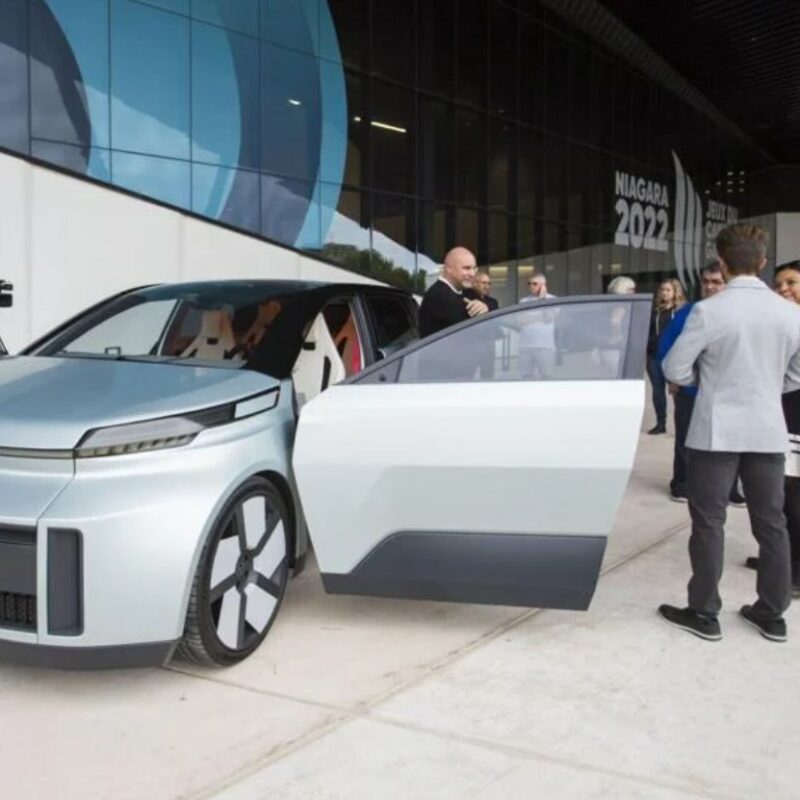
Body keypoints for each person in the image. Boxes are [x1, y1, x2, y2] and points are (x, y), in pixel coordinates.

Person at [659, 224, 800, 643]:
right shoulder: (790, 313)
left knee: (709, 523)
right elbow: (797, 375)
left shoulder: (710, 311)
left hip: (715, 430)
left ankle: (704, 611)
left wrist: (709, 382)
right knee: (771, 523)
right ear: (762, 262)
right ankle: (772, 613)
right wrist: (766, 386)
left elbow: (674, 369)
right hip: (768, 429)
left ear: (722, 262)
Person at [658, 264, 745, 506]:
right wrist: (673, 379)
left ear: (727, 282)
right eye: (706, 281)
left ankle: (730, 489)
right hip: (691, 391)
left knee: (731, 442)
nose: (709, 286)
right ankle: (682, 483)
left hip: (730, 392)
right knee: (685, 439)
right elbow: (666, 344)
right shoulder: (692, 311)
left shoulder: (739, 313)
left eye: (716, 281)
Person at [744, 260, 800, 598]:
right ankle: (779, 558)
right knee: (778, 497)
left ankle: (795, 572)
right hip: (779, 416)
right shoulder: (784, 322)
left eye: (791, 282)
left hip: (797, 419)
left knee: (794, 497)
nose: (784, 290)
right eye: (778, 285)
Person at [646, 280, 687, 434]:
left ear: (675, 291)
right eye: (662, 289)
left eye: (668, 290)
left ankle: (681, 424)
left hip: (672, 356)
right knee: (658, 391)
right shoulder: (655, 311)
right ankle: (660, 423)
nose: (664, 293)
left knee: (677, 392)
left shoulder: (680, 312)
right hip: (654, 356)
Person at [419, 247, 488, 338]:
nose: (472, 274)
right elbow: (476, 334)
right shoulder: (439, 296)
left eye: (474, 268)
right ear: (449, 269)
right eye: (466, 268)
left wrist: (484, 307)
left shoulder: (463, 292)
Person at [519, 273, 557, 378]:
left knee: (546, 377)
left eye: (534, 284)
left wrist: (542, 300)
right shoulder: (524, 301)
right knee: (526, 377)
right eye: (529, 283)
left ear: (543, 285)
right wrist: (538, 317)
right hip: (526, 346)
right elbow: (522, 320)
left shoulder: (553, 299)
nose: (531, 286)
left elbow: (548, 318)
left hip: (545, 346)